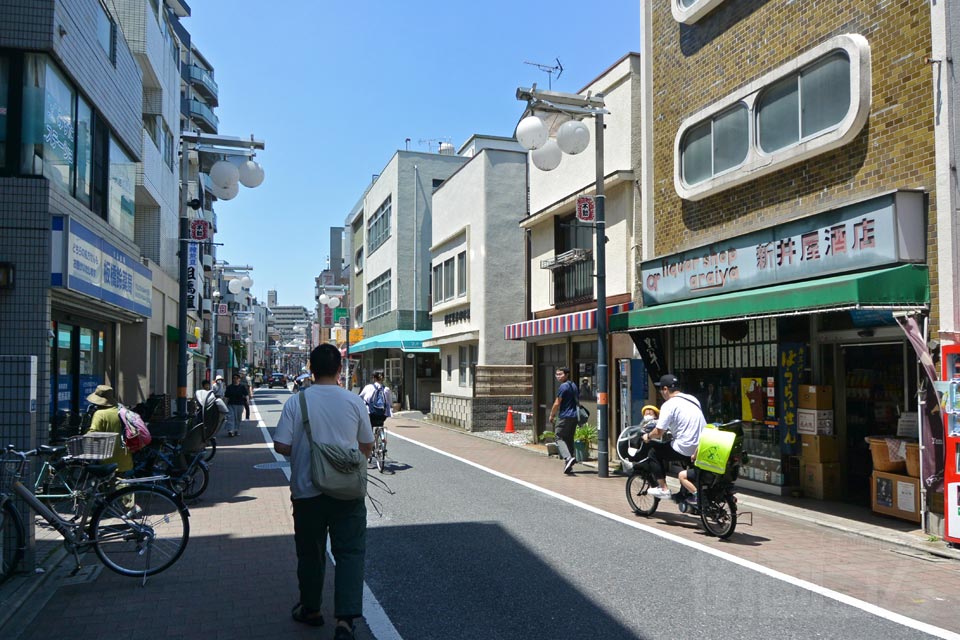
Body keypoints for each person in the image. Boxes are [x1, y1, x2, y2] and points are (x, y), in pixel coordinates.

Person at [274, 344, 374, 640]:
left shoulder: (297, 402)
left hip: (307, 492)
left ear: (311, 368)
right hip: (348, 493)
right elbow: (366, 445)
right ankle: (345, 621)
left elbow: (281, 445)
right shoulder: (353, 401)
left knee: (310, 553)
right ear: (339, 369)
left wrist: (305, 450)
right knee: (351, 553)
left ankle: (311, 609)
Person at [643, 374, 706, 499]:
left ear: (665, 389)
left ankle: (663, 488)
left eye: (661, 389)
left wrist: (648, 436)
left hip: (686, 447)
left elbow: (659, 432)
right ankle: (686, 494)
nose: (661, 392)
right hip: (702, 445)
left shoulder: (668, 405)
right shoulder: (692, 399)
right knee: (682, 457)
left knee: (654, 453)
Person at [85, 384, 134, 475]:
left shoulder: (100, 414)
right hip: (126, 460)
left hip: (108, 461)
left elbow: (93, 433)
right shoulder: (122, 410)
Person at [548, 367, 579, 475]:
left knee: (559, 437)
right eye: (557, 374)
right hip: (574, 416)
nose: (558, 376)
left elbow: (557, 403)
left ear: (566, 374)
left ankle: (568, 457)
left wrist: (552, 415)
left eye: (560, 374)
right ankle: (568, 465)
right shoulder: (573, 385)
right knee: (569, 439)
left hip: (565, 416)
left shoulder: (563, 386)